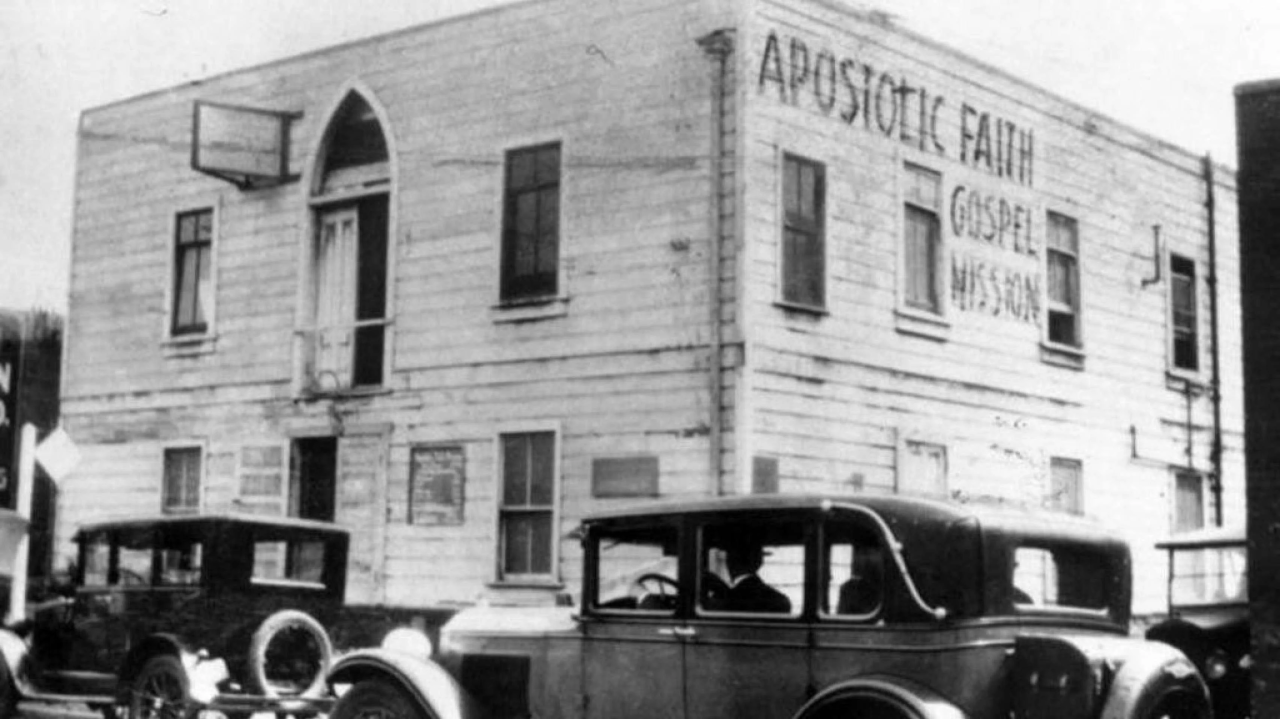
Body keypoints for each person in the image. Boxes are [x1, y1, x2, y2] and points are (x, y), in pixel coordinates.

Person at [723, 541, 791, 613]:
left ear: (730, 562)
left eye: (727, 558)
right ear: (759, 563)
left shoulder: (723, 601)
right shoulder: (780, 600)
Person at [837, 545, 884, 615]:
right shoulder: (849, 590)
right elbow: (841, 621)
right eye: (864, 553)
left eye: (870, 553)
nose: (868, 559)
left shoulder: (891, 591)